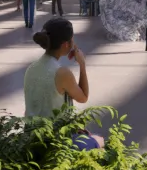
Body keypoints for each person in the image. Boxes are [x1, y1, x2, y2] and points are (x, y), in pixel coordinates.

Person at [26, 17, 102, 149]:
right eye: (72, 39)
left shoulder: (31, 68)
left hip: (31, 135)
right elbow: (83, 97)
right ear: (66, 44)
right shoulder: (61, 73)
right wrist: (82, 64)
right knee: (99, 140)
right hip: (53, 141)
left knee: (83, 133)